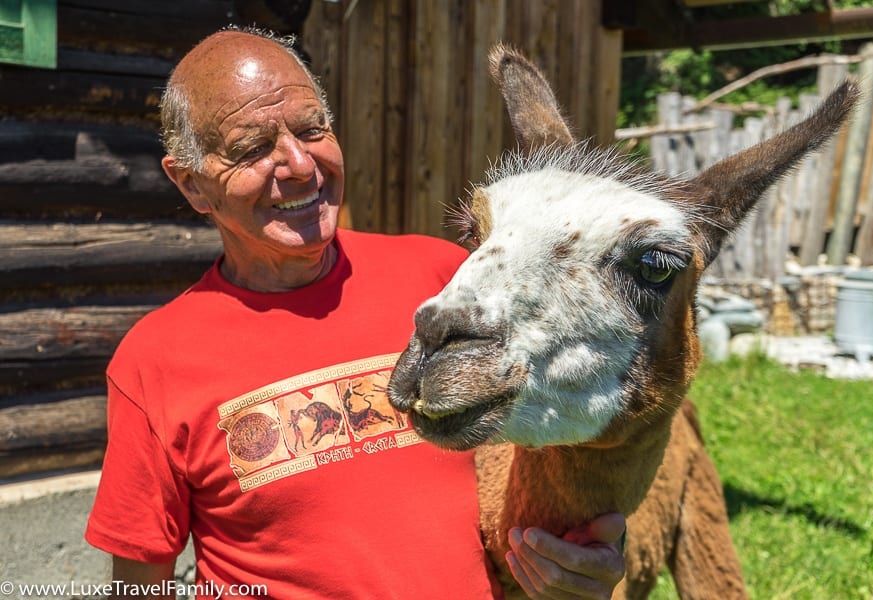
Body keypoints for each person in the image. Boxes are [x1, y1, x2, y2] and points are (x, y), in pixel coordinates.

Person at [85, 27, 626, 600]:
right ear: (192, 185)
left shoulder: (444, 283)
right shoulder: (156, 361)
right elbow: (140, 584)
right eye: (252, 147)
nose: (298, 164)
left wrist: (582, 564)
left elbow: (552, 468)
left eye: (313, 128)